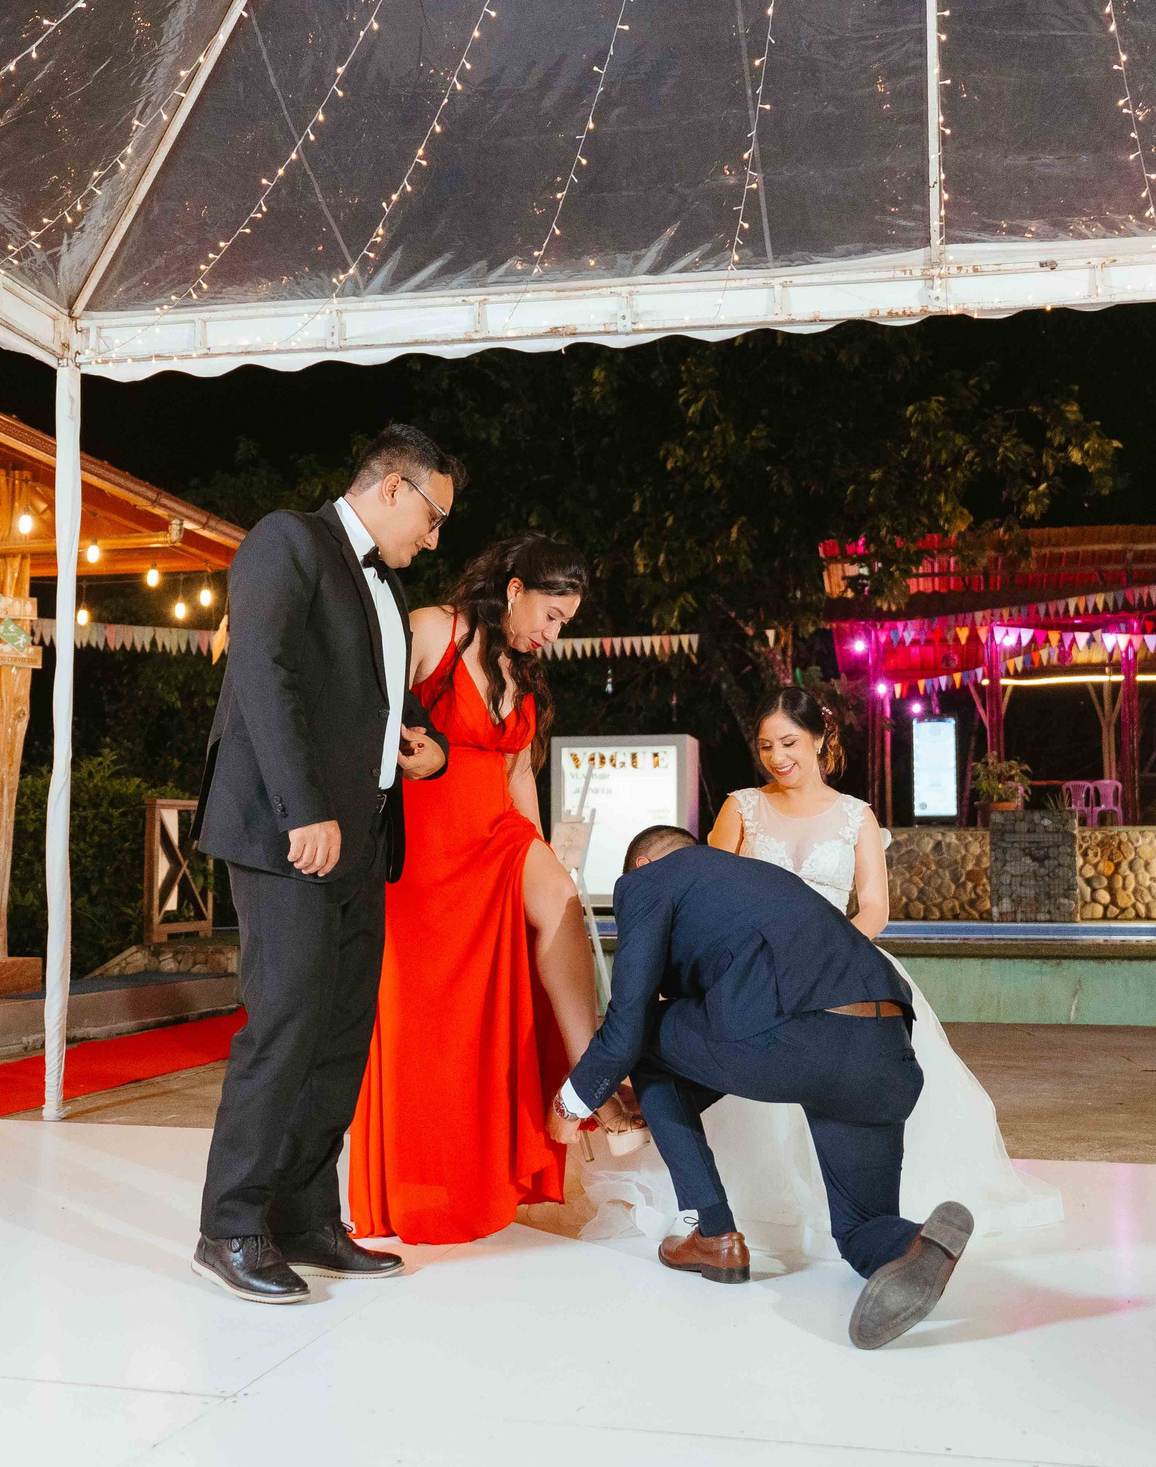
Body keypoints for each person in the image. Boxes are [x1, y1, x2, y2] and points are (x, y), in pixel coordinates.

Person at [191, 423, 457, 1305]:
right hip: (288, 835)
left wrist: (428, 747)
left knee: (341, 1034)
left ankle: (304, 1216)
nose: (432, 537)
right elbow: (264, 673)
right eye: (432, 515)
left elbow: (381, 697)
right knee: (285, 1023)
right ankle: (229, 1225)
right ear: (392, 488)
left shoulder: (380, 585)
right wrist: (302, 807)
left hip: (361, 839)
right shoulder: (286, 541)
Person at [555, 826, 973, 1350]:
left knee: (645, 1033)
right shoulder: (764, 881)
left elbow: (629, 1020)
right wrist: (658, 1100)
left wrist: (572, 1102)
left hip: (796, 1038)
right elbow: (733, 1032)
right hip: (883, 1052)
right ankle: (916, 1242)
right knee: (862, 1230)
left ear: (641, 865)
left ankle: (714, 1233)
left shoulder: (648, 881)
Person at [348, 534, 616, 1244]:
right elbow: (370, 706)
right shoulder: (436, 628)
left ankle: (593, 1072)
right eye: (551, 615)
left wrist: (537, 850)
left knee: (556, 897)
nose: (552, 633)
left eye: (565, 623)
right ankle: (428, 1186)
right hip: (425, 848)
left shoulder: (521, 672)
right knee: (431, 1027)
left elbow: (518, 772)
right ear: (516, 587)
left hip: (496, 833)